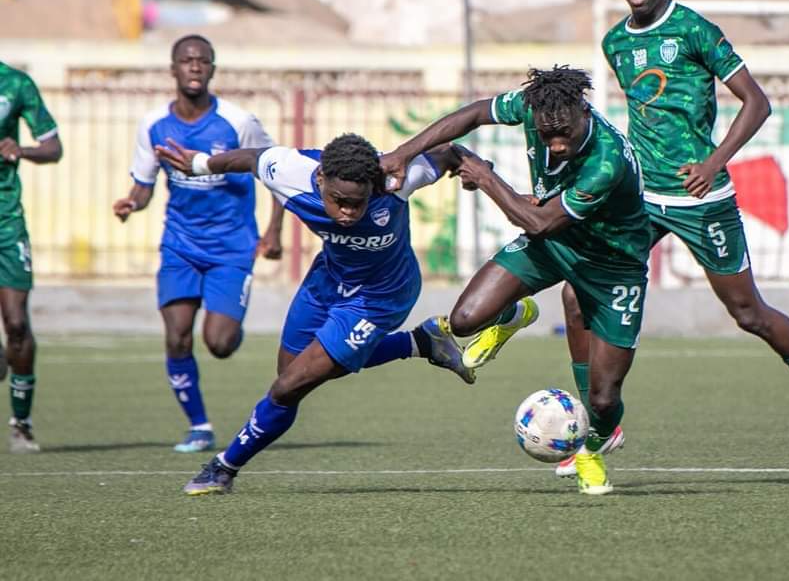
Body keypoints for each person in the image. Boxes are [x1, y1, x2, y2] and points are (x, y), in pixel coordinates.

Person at [553, 0, 789, 477]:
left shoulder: (693, 29)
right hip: (639, 198)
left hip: (701, 198)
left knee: (749, 314)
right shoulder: (614, 43)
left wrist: (715, 162)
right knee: (577, 294)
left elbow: (756, 102)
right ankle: (600, 427)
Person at [381, 66, 652, 495]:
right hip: (556, 243)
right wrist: (402, 153)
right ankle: (515, 313)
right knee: (466, 320)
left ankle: (593, 447)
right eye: (547, 136)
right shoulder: (535, 109)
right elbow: (472, 115)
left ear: (583, 110)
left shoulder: (607, 160)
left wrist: (486, 178)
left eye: (564, 133)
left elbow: (541, 223)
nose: (556, 144)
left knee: (603, 399)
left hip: (613, 266)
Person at [155, 133, 473, 495]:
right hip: (326, 280)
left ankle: (223, 468)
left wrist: (476, 170)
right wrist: (200, 165)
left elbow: (449, 153)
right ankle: (420, 343)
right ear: (320, 179)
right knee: (291, 374)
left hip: (381, 295)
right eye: (339, 202)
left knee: (289, 387)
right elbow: (251, 158)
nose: (349, 213)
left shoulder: (396, 180)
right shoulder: (289, 170)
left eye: (359, 203)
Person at [112, 35, 285, 454]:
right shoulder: (154, 124)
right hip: (180, 246)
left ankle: (231, 323)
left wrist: (274, 231)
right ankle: (199, 426)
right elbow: (145, 184)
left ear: (212, 70)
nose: (194, 67)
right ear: (172, 69)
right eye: (186, 61)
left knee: (220, 344)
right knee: (176, 337)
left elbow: (279, 171)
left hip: (231, 249)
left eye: (202, 61)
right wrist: (132, 203)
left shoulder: (238, 121)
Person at [0, 61, 62, 453]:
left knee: (17, 325)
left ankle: (21, 423)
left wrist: (18, 148)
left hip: (7, 222)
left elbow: (53, 147)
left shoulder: (16, 83)